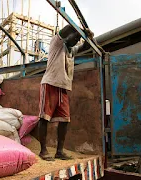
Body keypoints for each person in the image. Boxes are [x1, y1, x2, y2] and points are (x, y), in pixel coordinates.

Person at [38, 25, 94, 161]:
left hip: (63, 88)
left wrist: (88, 36)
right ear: (67, 37)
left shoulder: (71, 50)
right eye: (74, 37)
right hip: (50, 83)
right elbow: (66, 30)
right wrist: (78, 28)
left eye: (77, 39)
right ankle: (43, 150)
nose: (75, 40)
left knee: (65, 120)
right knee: (44, 118)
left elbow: (86, 47)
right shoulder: (57, 43)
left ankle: (59, 151)